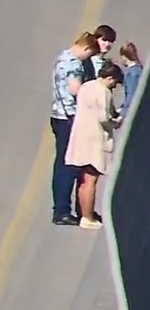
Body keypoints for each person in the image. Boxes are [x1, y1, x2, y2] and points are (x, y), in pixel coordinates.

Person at [50, 32, 99, 226]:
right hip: (70, 118)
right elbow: (75, 89)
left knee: (61, 163)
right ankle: (63, 210)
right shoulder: (75, 65)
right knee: (70, 164)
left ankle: (60, 208)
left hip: (57, 116)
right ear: (86, 49)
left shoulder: (62, 58)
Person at [67, 62, 123, 230]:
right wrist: (116, 122)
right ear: (110, 78)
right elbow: (104, 117)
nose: (114, 86)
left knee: (83, 179)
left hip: (81, 135)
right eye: (115, 82)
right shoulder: (103, 92)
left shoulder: (87, 86)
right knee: (91, 179)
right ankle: (88, 217)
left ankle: (83, 213)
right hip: (95, 138)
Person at [120, 42, 141, 111]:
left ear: (123, 57)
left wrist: (123, 111)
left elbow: (131, 94)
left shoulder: (131, 74)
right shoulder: (139, 69)